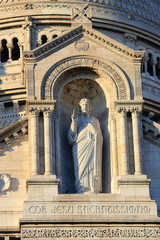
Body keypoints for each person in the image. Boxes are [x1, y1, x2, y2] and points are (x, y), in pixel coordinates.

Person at [68, 98, 103, 193]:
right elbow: (71, 136)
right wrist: (74, 122)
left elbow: (100, 136)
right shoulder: (77, 119)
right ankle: (80, 187)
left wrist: (95, 134)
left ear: (90, 107)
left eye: (87, 104)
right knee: (80, 166)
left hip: (92, 147)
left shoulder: (95, 121)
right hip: (80, 146)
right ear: (80, 107)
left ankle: (94, 187)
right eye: (83, 105)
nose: (85, 106)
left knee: (92, 165)